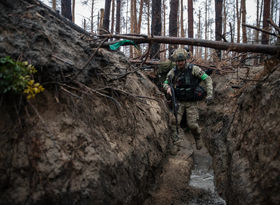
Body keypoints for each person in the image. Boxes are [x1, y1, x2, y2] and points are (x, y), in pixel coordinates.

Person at [163, 47, 213, 150]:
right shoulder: (173, 72)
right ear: (175, 61)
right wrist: (167, 88)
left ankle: (198, 137)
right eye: (178, 61)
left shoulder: (194, 69)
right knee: (174, 122)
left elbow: (207, 79)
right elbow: (165, 83)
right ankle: (177, 143)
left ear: (185, 59)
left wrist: (209, 94)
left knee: (192, 125)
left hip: (191, 102)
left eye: (181, 61)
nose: (180, 63)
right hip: (179, 102)